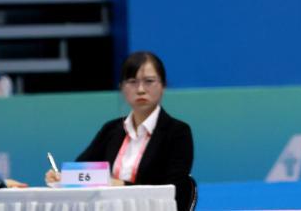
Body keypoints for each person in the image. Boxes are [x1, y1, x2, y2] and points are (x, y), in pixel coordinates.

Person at [43, 52, 195, 211]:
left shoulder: (178, 132)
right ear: (122, 87)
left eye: (149, 81)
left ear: (163, 85)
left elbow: (174, 191)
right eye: (132, 82)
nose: (141, 89)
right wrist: (64, 177)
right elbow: (82, 171)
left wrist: (121, 185)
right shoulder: (111, 130)